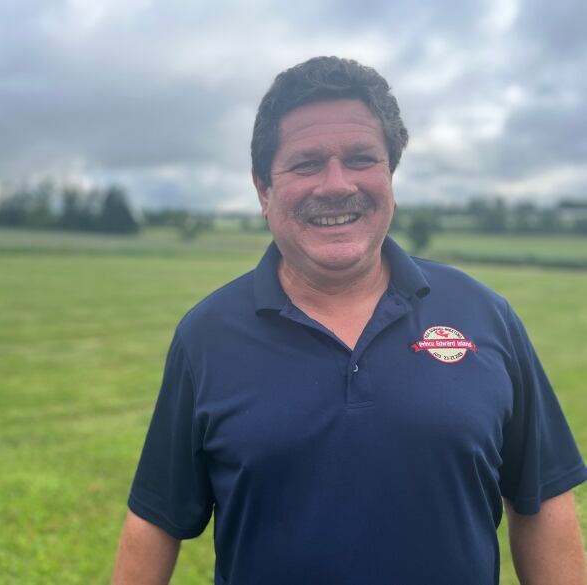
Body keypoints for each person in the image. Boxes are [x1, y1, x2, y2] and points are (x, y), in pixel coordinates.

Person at [112, 56, 587, 585]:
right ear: (263, 190)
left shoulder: (485, 315)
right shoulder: (206, 335)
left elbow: (541, 499)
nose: (336, 185)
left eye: (362, 158)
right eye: (306, 164)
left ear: (390, 176)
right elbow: (156, 519)